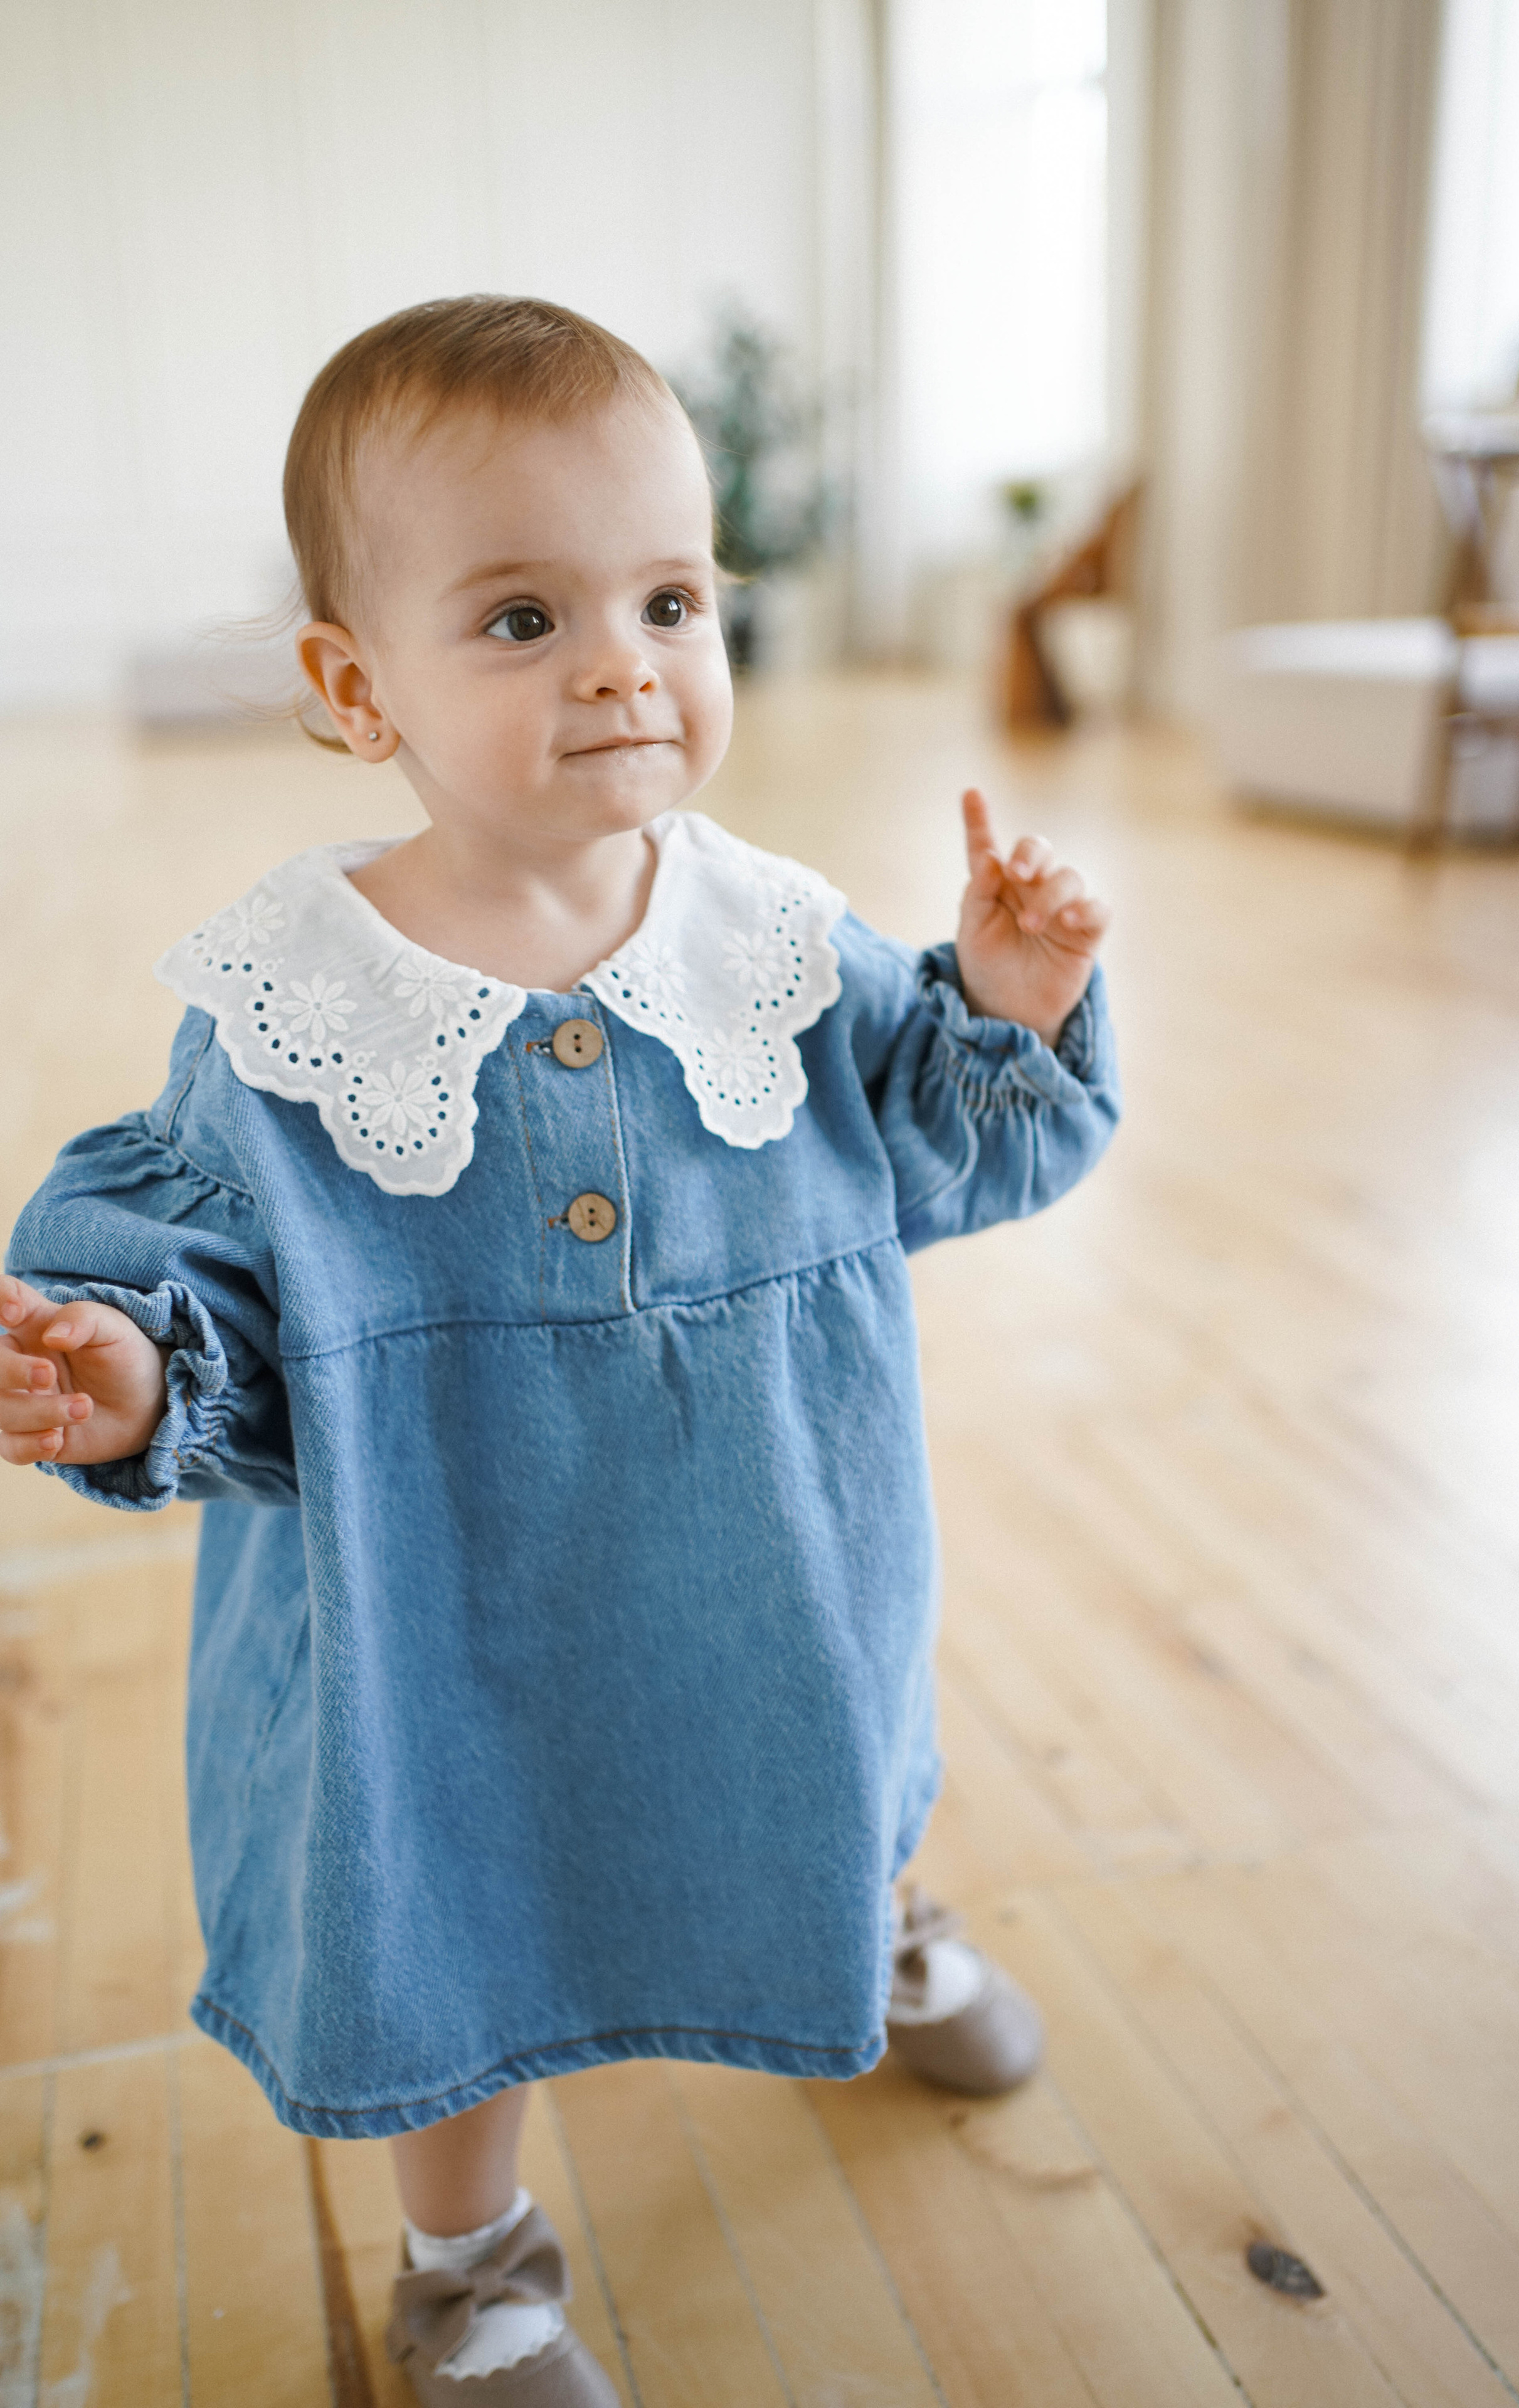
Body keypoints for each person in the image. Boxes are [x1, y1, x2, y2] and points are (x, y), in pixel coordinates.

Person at [1, 297, 1118, 2407]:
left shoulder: (778, 942)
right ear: (357, 688)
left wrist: (1008, 988)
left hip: (772, 1558)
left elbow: (959, 1151)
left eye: (670, 598)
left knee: (819, 1739)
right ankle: (471, 2257)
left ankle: (856, 1916)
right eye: (521, 618)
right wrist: (132, 1373)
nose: (622, 661)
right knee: (455, 1898)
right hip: (457, 1609)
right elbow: (208, 1300)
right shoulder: (292, 1014)